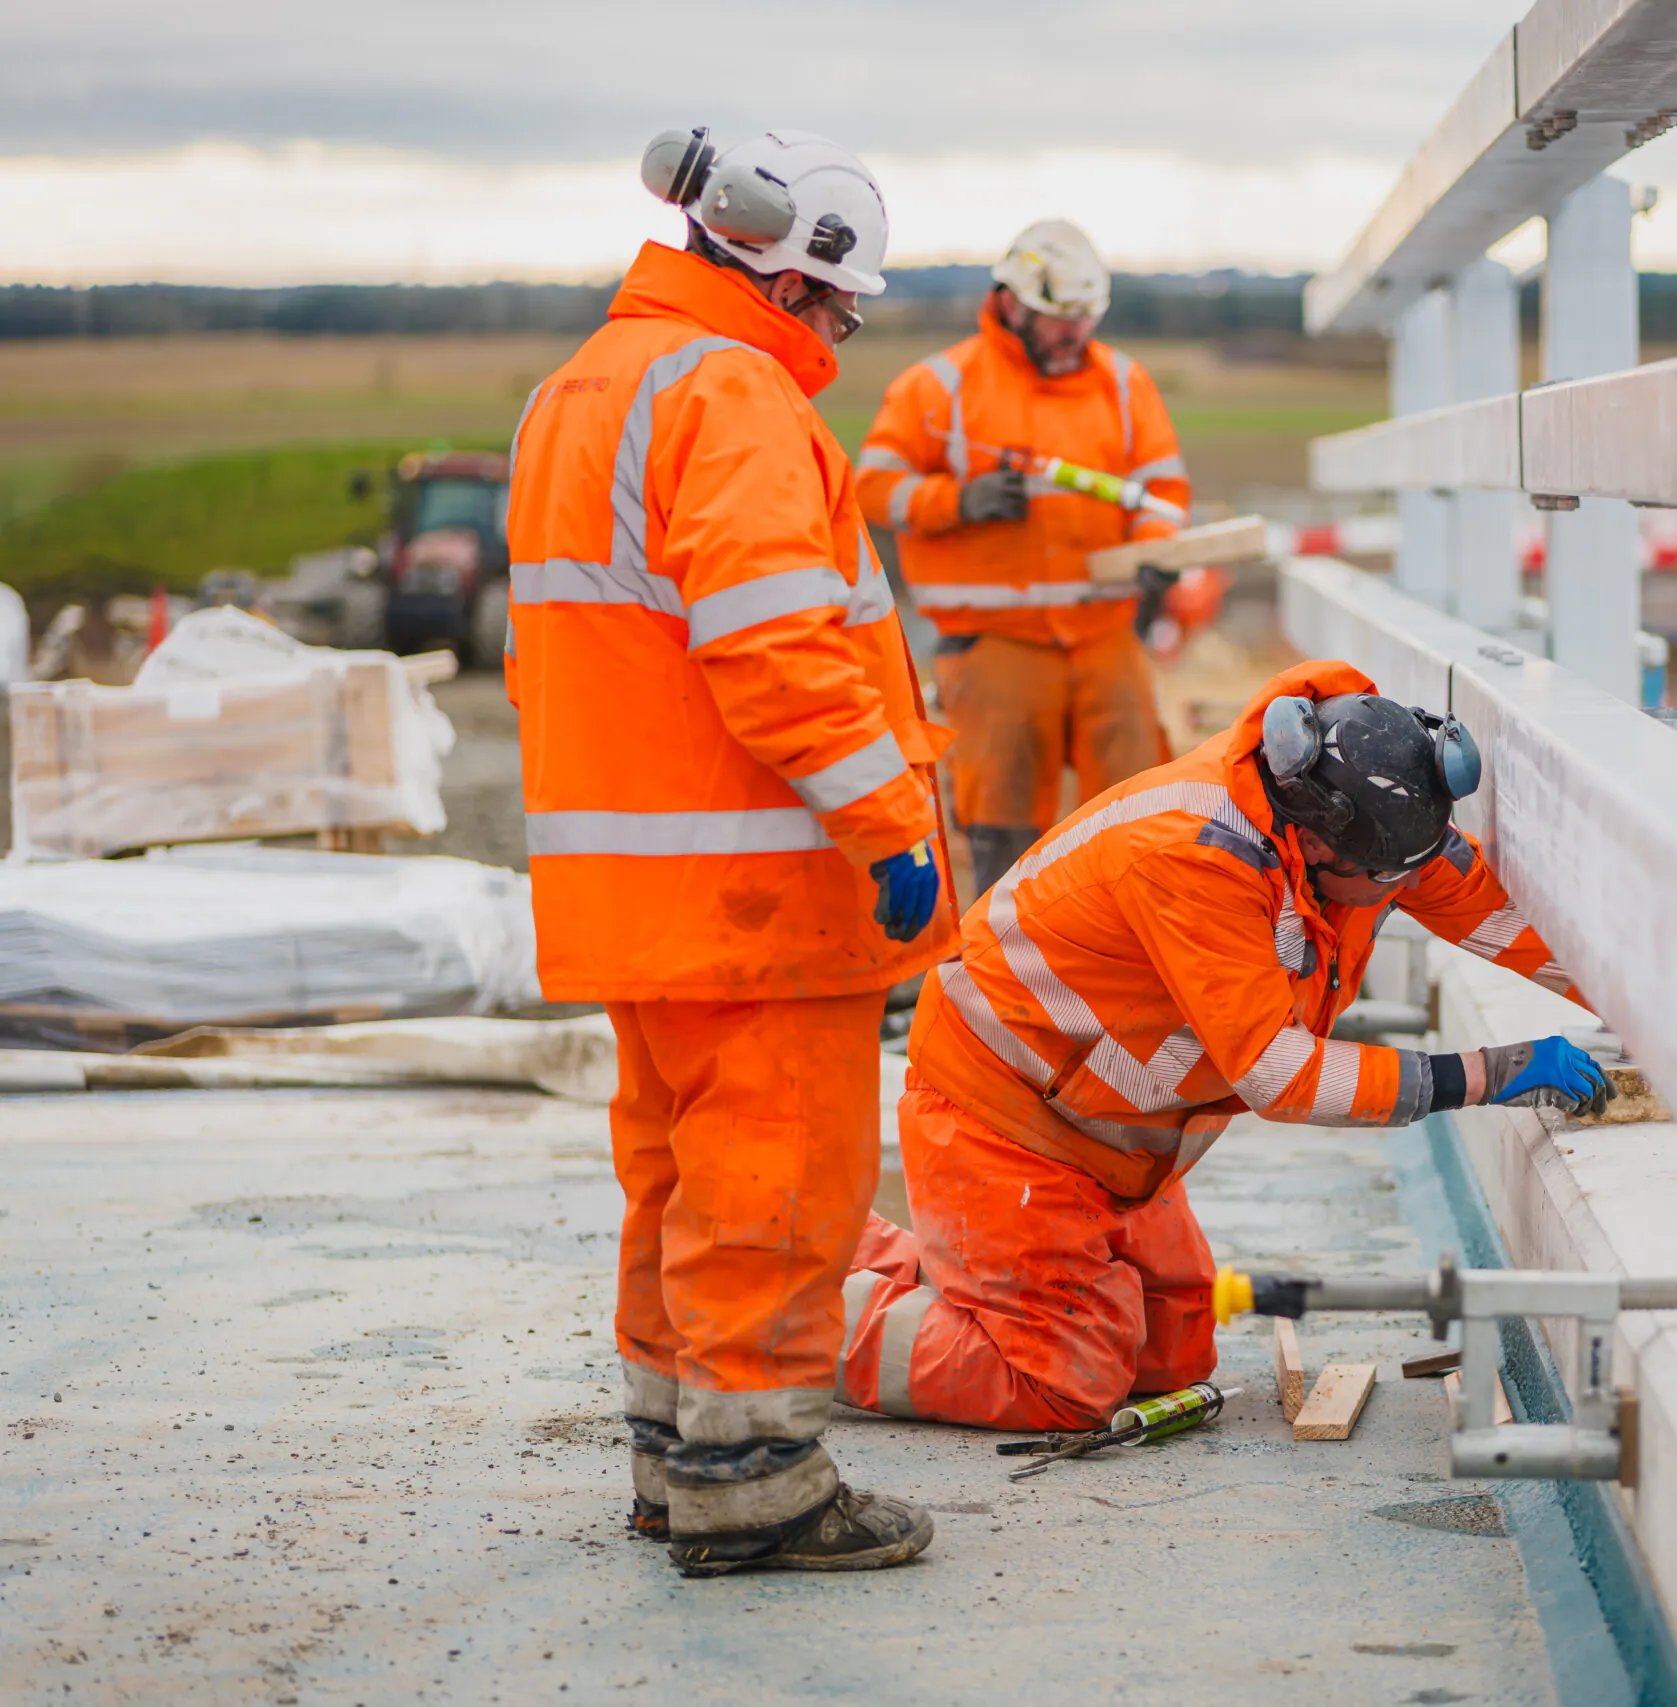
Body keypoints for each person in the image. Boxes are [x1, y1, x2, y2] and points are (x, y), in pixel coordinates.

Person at [505, 126, 955, 1578]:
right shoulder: (732, 394)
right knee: (777, 1184)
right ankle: (755, 1489)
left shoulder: (575, 391)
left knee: (679, 1181)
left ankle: (677, 1457)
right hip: (757, 890)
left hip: (643, 892)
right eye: (837, 305)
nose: (840, 332)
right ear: (785, 273)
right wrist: (889, 827)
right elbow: (773, 645)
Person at [835, 660, 1614, 1431]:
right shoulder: (1196, 858)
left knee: (1172, 1354)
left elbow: (1491, 913)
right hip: (1003, 1121)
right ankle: (791, 1317)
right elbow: (1282, 1077)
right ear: (1314, 842)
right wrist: (1488, 1073)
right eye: (1385, 880)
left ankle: (866, 1264)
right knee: (1065, 1380)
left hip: (1112, 1138)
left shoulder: (1357, 802)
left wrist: (1636, 1008)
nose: (1399, 892)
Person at [854, 218, 1189, 899]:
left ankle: (1137, 968)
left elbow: (1162, 492)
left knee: (1146, 812)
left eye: (1086, 318)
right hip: (995, 644)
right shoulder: (937, 387)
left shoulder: (1124, 384)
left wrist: (1156, 550)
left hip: (1103, 636)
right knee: (999, 823)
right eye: (1058, 319)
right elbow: (874, 488)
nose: (1075, 334)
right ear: (1009, 302)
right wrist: (959, 500)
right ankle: (996, 977)